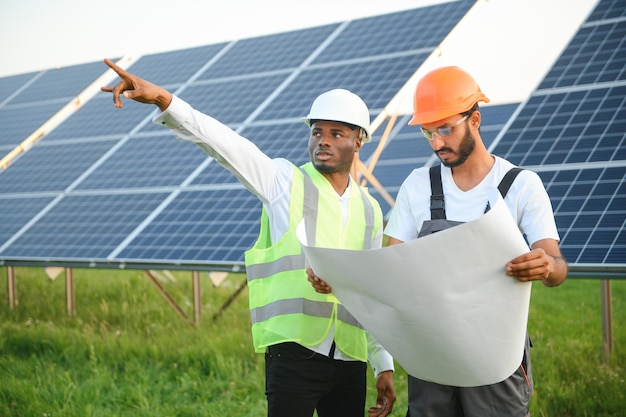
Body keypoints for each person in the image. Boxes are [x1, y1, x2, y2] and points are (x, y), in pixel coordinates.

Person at [100, 58, 395, 417]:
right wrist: (166, 101)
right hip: (294, 354)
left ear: (359, 141)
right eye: (317, 132)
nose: (323, 141)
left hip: (350, 359)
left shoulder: (371, 210)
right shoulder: (285, 182)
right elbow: (227, 146)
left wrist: (383, 364)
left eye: (337, 134)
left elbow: (374, 292)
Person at [384, 66, 568, 417]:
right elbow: (394, 265)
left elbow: (557, 268)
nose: (437, 143)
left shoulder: (521, 185)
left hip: (496, 359)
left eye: (445, 129)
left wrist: (546, 265)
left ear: (475, 120)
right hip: (431, 353)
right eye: (428, 133)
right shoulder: (417, 184)